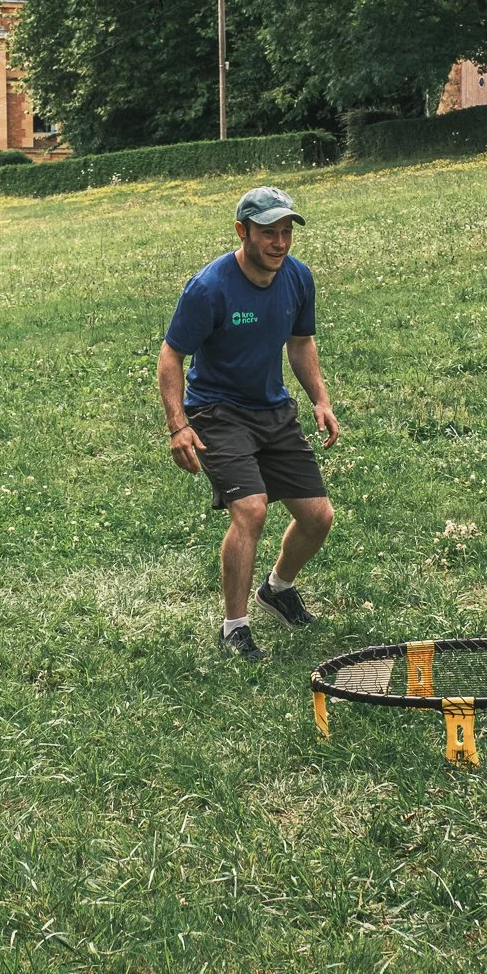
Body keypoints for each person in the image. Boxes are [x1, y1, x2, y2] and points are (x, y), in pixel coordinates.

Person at [157, 186, 340, 662]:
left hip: (273, 410)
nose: (279, 243)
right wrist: (178, 426)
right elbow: (172, 355)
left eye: (285, 233)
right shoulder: (210, 288)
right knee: (252, 509)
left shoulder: (298, 279)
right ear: (242, 232)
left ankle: (277, 589)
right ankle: (234, 627)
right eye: (267, 234)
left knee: (318, 517)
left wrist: (319, 398)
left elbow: (300, 343)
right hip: (217, 411)